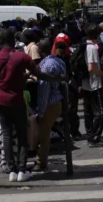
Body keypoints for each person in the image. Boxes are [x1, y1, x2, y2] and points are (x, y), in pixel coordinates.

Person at [0, 29, 65, 183]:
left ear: (1, 42)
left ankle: (12, 170)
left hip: (0, 101)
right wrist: (58, 78)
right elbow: (40, 75)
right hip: (17, 100)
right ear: (14, 41)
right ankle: (22, 170)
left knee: (7, 135)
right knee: (22, 137)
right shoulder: (22, 57)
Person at [34, 40, 66, 171]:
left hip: (50, 103)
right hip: (58, 101)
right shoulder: (58, 61)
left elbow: (44, 91)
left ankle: (41, 162)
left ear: (41, 52)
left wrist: (40, 112)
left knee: (44, 135)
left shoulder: (47, 66)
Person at [83, 23, 103, 146]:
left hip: (85, 84)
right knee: (100, 111)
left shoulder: (83, 45)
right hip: (94, 83)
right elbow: (91, 67)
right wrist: (102, 74)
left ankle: (90, 136)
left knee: (88, 111)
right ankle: (94, 137)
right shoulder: (92, 48)